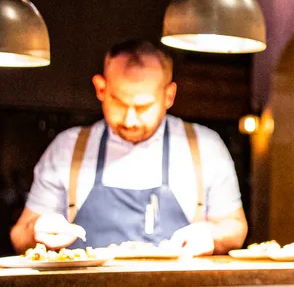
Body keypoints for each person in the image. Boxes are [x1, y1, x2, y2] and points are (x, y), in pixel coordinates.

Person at [9, 40, 247, 256]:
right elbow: (20, 236)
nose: (130, 119)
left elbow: (235, 228)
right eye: (119, 102)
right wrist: (37, 231)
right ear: (100, 89)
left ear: (169, 96)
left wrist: (211, 235)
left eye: (143, 106)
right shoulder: (67, 148)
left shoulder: (205, 146)